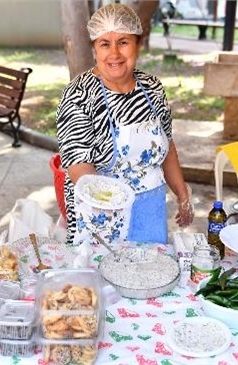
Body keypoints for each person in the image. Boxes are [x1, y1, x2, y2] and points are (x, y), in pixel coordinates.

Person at [56, 4, 194, 246]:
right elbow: (79, 169)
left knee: (150, 275)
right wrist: (115, 205)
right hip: (101, 215)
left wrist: (182, 195)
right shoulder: (78, 95)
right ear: (94, 48)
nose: (114, 54)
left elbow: (167, 145)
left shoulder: (152, 87)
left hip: (150, 209)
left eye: (123, 42)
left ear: (138, 44)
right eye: (104, 44)